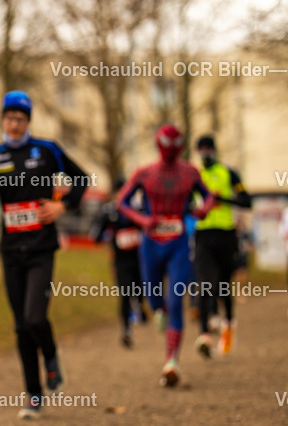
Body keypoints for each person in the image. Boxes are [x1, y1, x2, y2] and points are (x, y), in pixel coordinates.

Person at [0, 91, 89, 419]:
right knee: (20, 326)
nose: (14, 124)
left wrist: (62, 205)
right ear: (3, 120)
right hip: (11, 251)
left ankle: (50, 356)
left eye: (20, 119)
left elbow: (82, 180)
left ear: (28, 121)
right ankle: (33, 395)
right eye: (9, 118)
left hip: (41, 249)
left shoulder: (47, 150)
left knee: (35, 317)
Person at [118, 124, 214, 387]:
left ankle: (171, 361)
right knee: (154, 298)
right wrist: (142, 219)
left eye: (176, 146)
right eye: (167, 145)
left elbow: (209, 197)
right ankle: (158, 310)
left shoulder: (190, 172)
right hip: (151, 243)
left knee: (176, 299)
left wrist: (204, 209)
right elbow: (121, 201)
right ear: (158, 144)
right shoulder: (144, 173)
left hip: (179, 244)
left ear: (181, 146)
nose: (171, 151)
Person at [191, 135, 251, 357]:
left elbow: (247, 201)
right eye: (201, 149)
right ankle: (205, 334)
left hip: (226, 235)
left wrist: (222, 200)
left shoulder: (229, 173)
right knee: (205, 283)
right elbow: (186, 202)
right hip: (203, 234)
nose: (205, 153)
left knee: (224, 286)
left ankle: (228, 323)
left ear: (214, 151)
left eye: (208, 149)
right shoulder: (194, 175)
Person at [89, 178, 146, 348]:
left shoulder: (138, 209)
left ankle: (140, 309)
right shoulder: (109, 211)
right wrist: (106, 236)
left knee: (140, 290)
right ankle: (126, 330)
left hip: (139, 259)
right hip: (120, 261)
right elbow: (95, 234)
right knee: (125, 293)